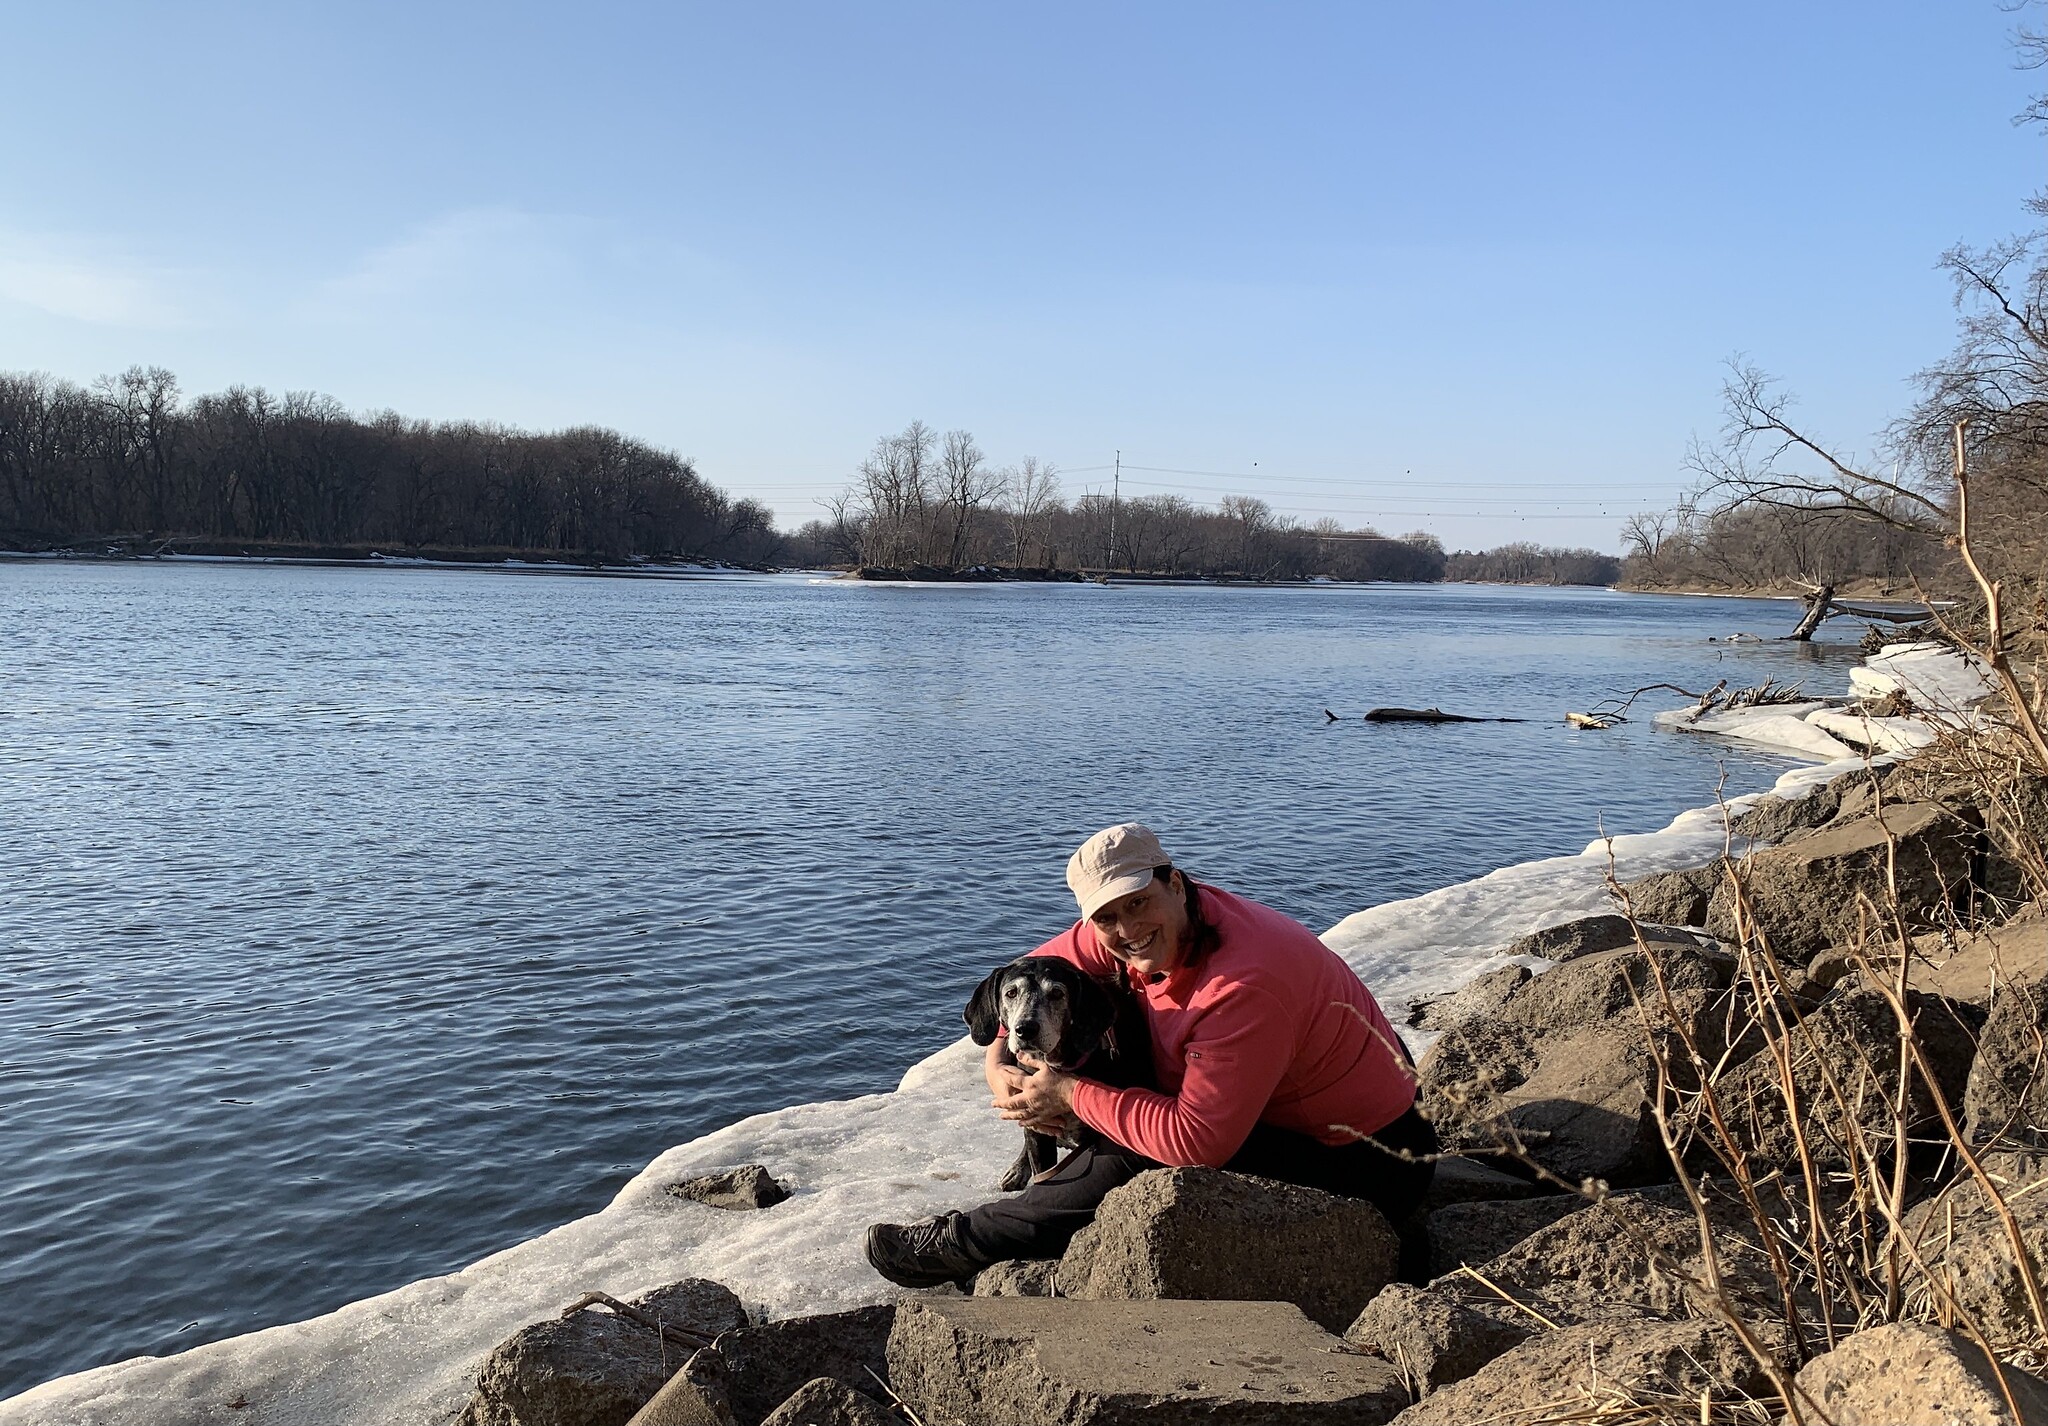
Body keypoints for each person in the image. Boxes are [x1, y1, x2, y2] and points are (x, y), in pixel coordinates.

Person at [864, 822, 1435, 1288]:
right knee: (1124, 1101)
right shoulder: (1139, 928)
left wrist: (1069, 1093)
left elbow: (1196, 1142)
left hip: (1370, 1156)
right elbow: (1025, 979)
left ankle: (965, 1244)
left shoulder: (1242, 985)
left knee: (1138, 1145)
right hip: (1293, 1111)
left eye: (1138, 903)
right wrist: (998, 1063)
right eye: (1106, 916)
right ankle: (1047, 1195)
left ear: (1177, 884)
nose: (1127, 928)